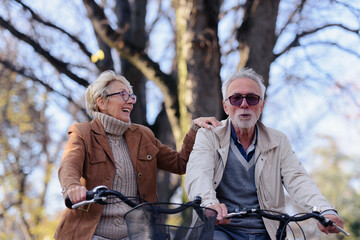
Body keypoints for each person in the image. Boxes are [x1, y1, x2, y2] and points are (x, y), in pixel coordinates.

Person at [54, 70, 220, 240]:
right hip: (93, 234)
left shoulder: (143, 135)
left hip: (137, 233)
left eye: (132, 97)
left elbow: (179, 163)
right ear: (102, 102)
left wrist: (194, 130)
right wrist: (73, 187)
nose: (130, 102)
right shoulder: (83, 132)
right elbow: (68, 165)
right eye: (124, 95)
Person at [185, 68, 344, 240]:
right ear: (225, 106)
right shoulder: (209, 135)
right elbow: (198, 173)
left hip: (267, 232)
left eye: (252, 98)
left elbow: (298, 179)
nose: (244, 104)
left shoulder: (278, 140)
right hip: (221, 231)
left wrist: (324, 210)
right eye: (236, 98)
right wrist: (209, 204)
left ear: (261, 105)